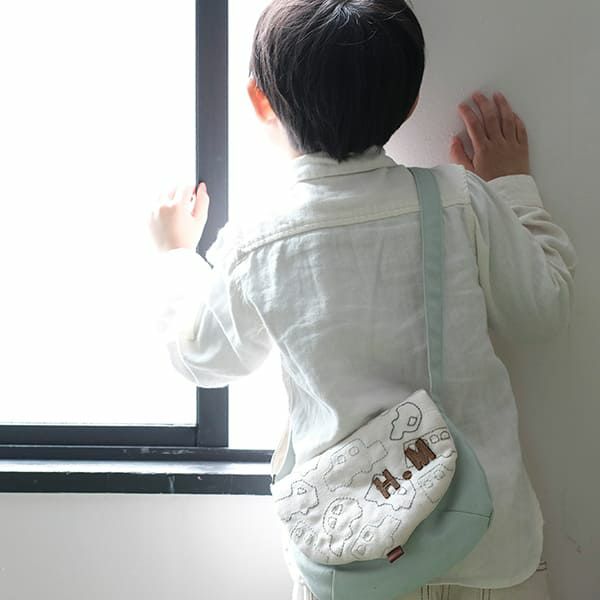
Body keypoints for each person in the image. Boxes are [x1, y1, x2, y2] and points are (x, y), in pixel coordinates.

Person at [148, 1, 576, 598]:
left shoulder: (257, 242)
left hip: (354, 562)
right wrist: (509, 186)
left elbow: (201, 356)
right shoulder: (459, 200)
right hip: (488, 545)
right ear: (411, 102)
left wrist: (176, 255)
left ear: (259, 101)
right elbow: (542, 311)